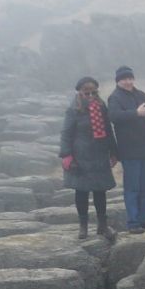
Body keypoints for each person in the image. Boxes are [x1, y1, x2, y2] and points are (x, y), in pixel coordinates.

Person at [58, 76, 118, 241]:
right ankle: (83, 227)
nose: (90, 95)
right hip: (80, 156)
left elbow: (108, 130)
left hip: (99, 154)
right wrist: (67, 155)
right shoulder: (73, 110)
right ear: (80, 92)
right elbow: (66, 133)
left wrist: (114, 152)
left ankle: (102, 226)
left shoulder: (101, 106)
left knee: (100, 191)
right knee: (81, 192)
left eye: (93, 92)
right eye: (87, 93)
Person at [107, 65, 145, 234]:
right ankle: (133, 223)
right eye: (124, 79)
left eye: (130, 78)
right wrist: (135, 113)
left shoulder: (139, 94)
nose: (128, 82)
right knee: (132, 188)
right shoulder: (115, 97)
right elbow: (114, 117)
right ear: (118, 81)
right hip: (130, 150)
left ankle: (144, 219)